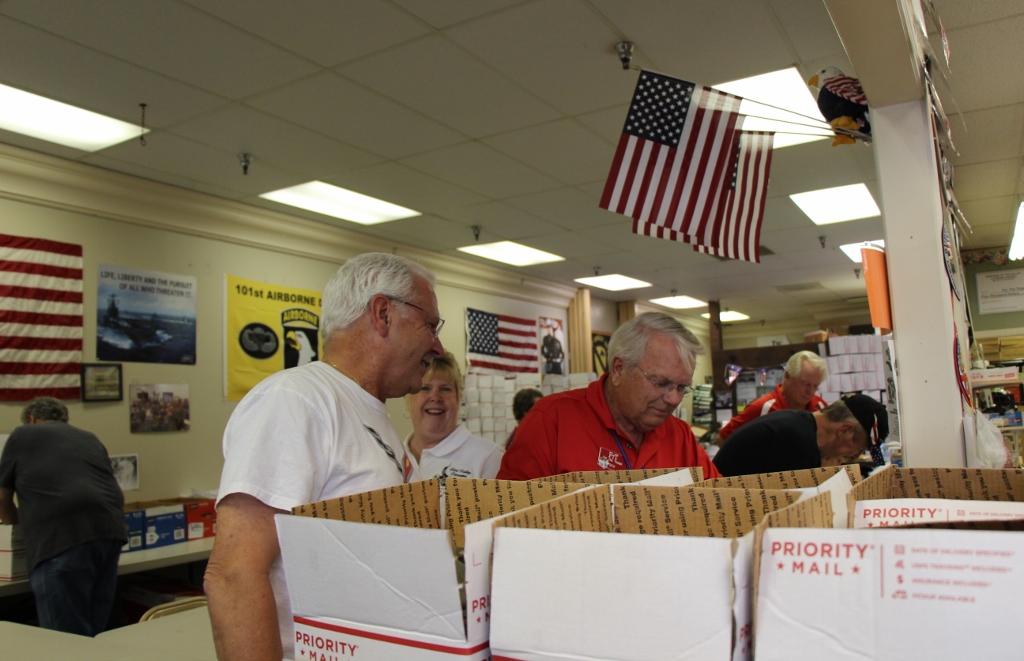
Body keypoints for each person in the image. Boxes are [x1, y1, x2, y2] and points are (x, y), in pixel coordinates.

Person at [205, 252, 445, 661]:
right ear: (383, 313)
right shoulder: (297, 400)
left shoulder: (371, 412)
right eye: (431, 325)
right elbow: (233, 574)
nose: (438, 346)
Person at [497, 312, 720, 480]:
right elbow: (508, 519)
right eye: (661, 383)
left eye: (682, 387)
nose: (673, 399)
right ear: (619, 369)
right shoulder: (550, 421)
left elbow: (719, 505)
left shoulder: (679, 435)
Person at [0, 397, 125, 636]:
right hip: (110, 534)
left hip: (61, 540)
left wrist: (12, 532)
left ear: (31, 419)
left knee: (63, 638)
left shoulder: (22, 435)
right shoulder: (89, 437)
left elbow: (2, 499)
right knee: (95, 631)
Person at [712, 393, 888, 477]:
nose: (853, 456)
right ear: (844, 431)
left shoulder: (799, 423)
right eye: (857, 449)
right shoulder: (798, 445)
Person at [405, 351, 503, 479]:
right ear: (408, 399)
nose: (435, 397)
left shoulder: (489, 458)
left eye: (445, 389)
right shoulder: (392, 453)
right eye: (425, 388)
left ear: (458, 398)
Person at [716, 350, 828, 441]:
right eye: (806, 384)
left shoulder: (821, 407)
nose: (811, 392)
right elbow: (722, 438)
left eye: (815, 386)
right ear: (787, 376)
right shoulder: (762, 408)